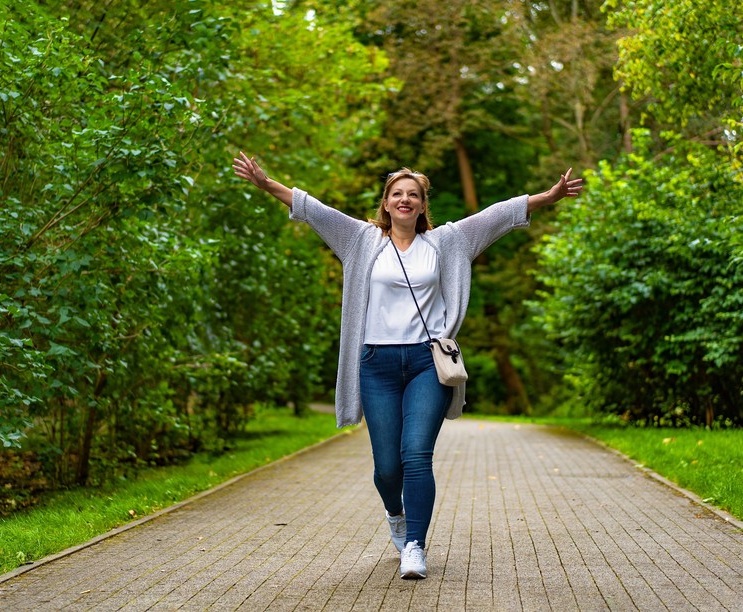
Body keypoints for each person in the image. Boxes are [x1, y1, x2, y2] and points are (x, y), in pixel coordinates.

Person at [232, 152, 583, 579]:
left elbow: (497, 216)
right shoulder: (360, 240)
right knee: (387, 467)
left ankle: (414, 545)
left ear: (421, 205)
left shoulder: (447, 241)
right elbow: (312, 209)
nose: (404, 200)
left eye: (412, 195)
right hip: (376, 363)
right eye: (397, 194)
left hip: (425, 363)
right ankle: (395, 514)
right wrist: (266, 183)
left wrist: (548, 197)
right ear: (385, 203)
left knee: (416, 455)